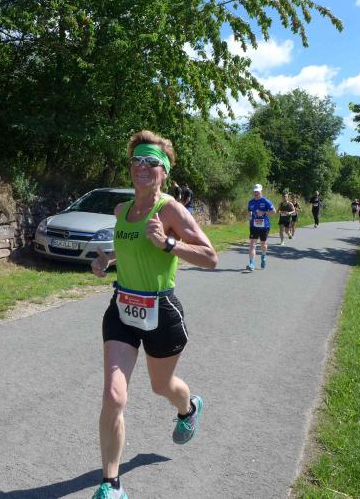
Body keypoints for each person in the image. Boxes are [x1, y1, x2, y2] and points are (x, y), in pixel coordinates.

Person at [90, 130, 218, 499]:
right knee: (114, 396)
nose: (142, 167)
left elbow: (210, 257)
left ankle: (188, 408)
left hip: (161, 311)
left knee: (161, 386)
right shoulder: (122, 211)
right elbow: (128, 247)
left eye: (152, 162)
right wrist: (107, 260)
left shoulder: (171, 210)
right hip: (122, 309)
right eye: (137, 160)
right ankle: (111, 484)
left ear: (164, 172)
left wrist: (168, 243)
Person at [247, 184, 275, 270]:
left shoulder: (265, 201)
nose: (256, 193)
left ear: (261, 191)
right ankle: (251, 264)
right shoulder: (251, 202)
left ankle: (263, 256)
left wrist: (263, 212)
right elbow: (249, 212)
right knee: (252, 244)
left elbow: (274, 211)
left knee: (263, 244)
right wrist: (250, 215)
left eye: (257, 192)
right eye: (255, 192)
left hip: (264, 226)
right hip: (254, 226)